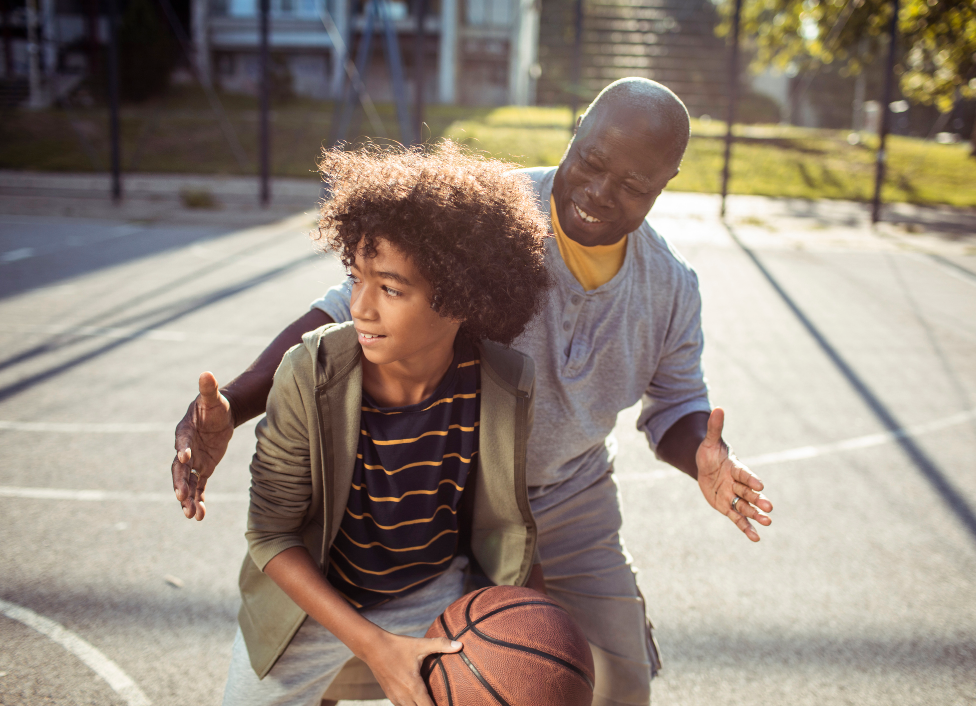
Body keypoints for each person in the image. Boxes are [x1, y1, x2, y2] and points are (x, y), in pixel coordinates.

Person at [174, 77, 774, 706]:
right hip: (455, 488)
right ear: (575, 134)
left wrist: (703, 456)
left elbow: (677, 406)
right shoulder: (489, 214)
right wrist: (233, 407)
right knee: (429, 656)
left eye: (633, 186)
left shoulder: (671, 286)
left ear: (664, 183)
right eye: (591, 163)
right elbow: (345, 319)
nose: (600, 193)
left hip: (570, 491)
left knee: (610, 682)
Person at [218, 141, 553, 706]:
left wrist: (539, 631)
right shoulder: (310, 371)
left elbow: (501, 520)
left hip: (432, 592)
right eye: (356, 278)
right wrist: (373, 645)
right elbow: (270, 534)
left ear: (459, 299)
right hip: (314, 596)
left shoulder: (501, 383)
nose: (361, 307)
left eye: (390, 288)